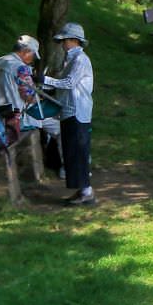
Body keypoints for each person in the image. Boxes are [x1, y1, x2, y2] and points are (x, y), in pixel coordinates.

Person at [42, 22, 95, 206]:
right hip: (68, 111)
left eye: (64, 40)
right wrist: (44, 84)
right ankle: (81, 190)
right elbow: (63, 84)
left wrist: (45, 80)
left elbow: (69, 83)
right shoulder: (70, 60)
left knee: (78, 152)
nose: (63, 44)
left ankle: (86, 192)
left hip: (78, 112)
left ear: (74, 41)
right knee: (72, 152)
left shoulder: (80, 59)